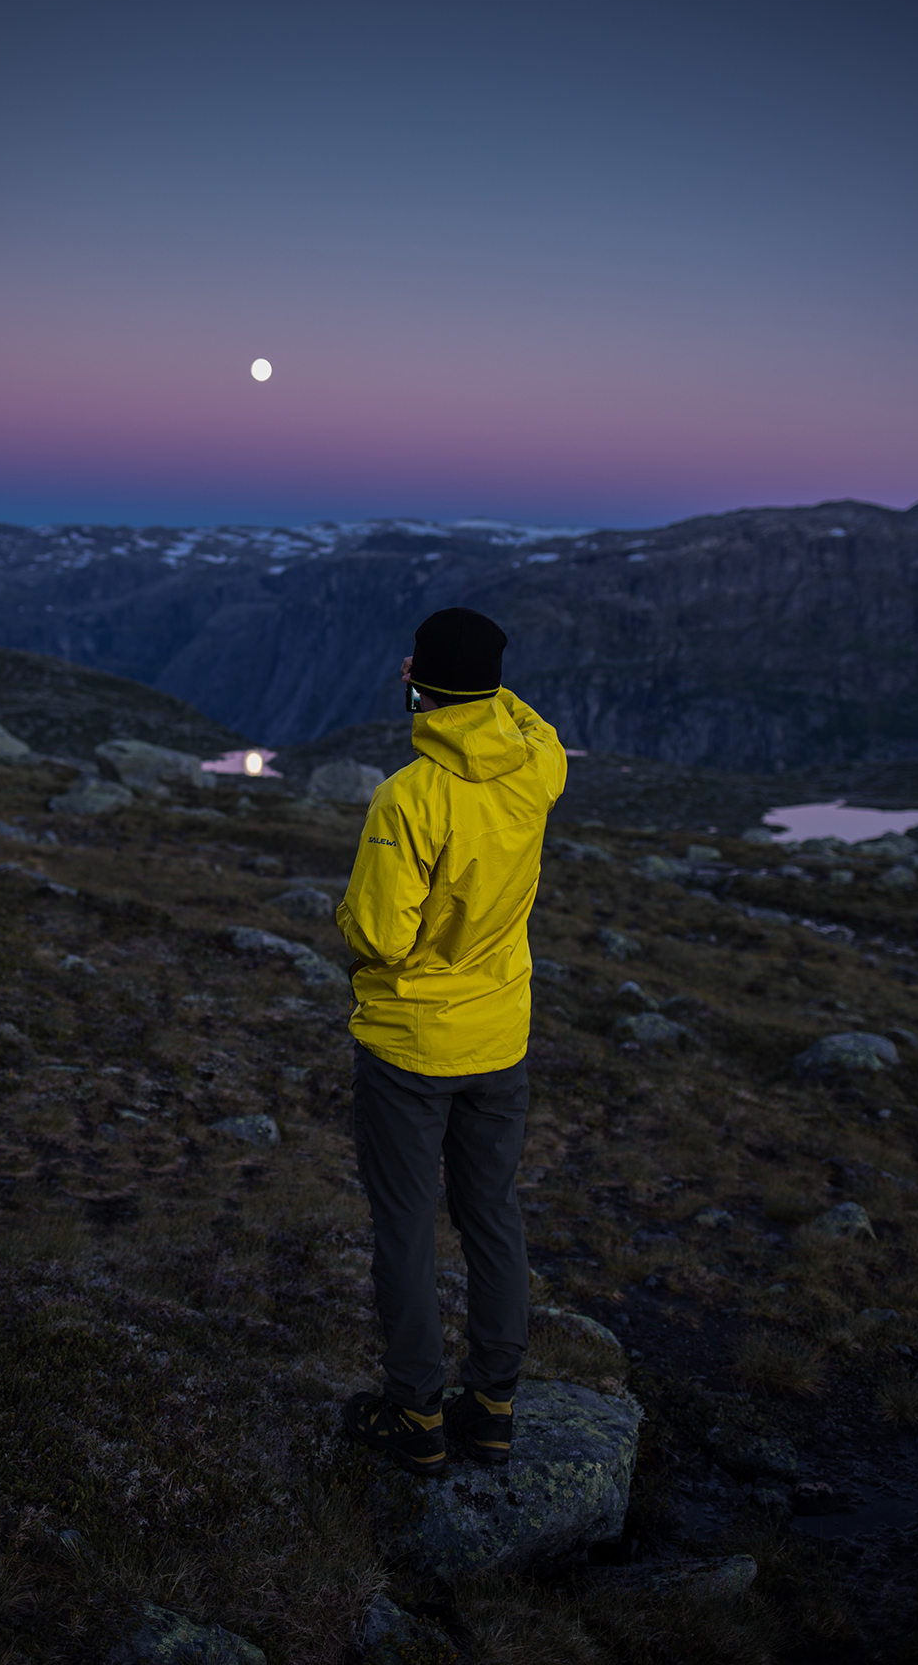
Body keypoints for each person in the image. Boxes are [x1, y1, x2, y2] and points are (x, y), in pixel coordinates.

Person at [336, 606, 567, 1476]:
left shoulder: (410, 796)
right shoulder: (537, 767)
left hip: (409, 1047)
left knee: (405, 1228)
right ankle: (495, 1407)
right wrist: (465, 692)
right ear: (496, 690)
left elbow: (379, 935)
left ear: (419, 683)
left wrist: (349, 932)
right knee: (492, 1218)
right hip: (499, 1035)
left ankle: (417, 1418)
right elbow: (525, 720)